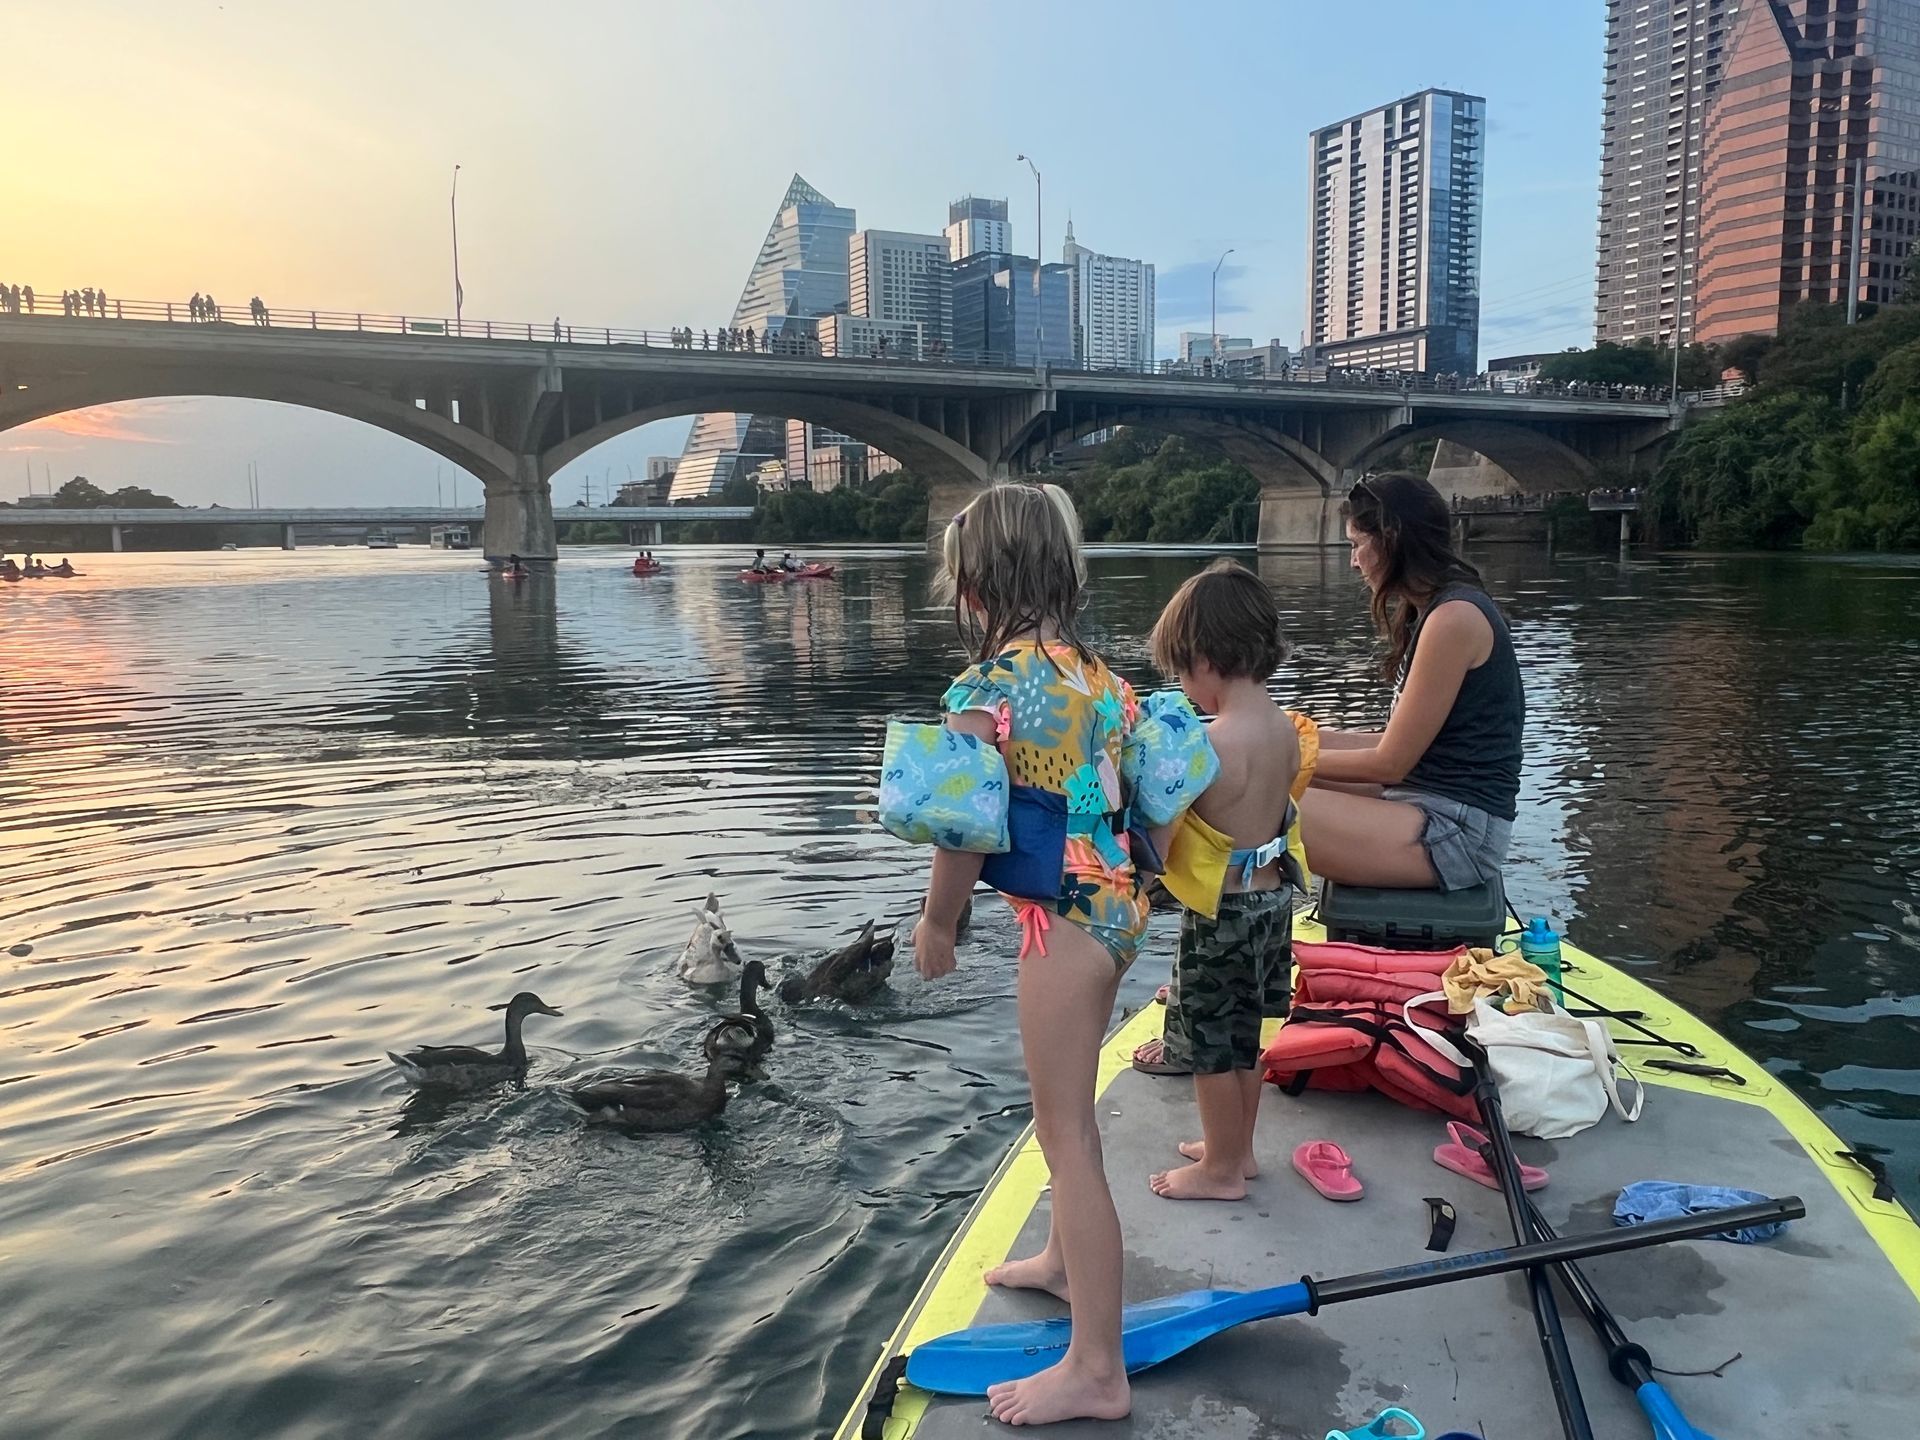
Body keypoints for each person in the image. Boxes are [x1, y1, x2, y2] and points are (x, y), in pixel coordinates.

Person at [909, 483, 1155, 1426]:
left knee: (1066, 1136)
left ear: (978, 584)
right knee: (1072, 1110)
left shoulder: (987, 689)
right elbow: (1134, 798)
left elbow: (965, 822)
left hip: (1063, 923)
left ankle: (1098, 1368)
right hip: (1119, 911)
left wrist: (940, 921)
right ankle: (1061, 1262)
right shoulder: (1104, 677)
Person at [1138, 561, 1300, 1201]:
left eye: (1182, 671)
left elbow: (1166, 838)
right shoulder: (1285, 730)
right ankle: (1239, 1152)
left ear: (1206, 659)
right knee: (1246, 1041)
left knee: (1209, 1044)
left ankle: (1220, 1172)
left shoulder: (1211, 747)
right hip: (1272, 903)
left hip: (1221, 918)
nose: (1183, 686)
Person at [1302, 471, 1524, 891]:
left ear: (1390, 539)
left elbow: (1390, 763)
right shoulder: (1435, 610)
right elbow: (1396, 742)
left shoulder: (1453, 619)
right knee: (1272, 759)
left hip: (1460, 833)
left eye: (1355, 545)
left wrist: (1282, 761)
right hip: (1430, 805)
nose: (1352, 561)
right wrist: (1293, 737)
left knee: (1263, 798)